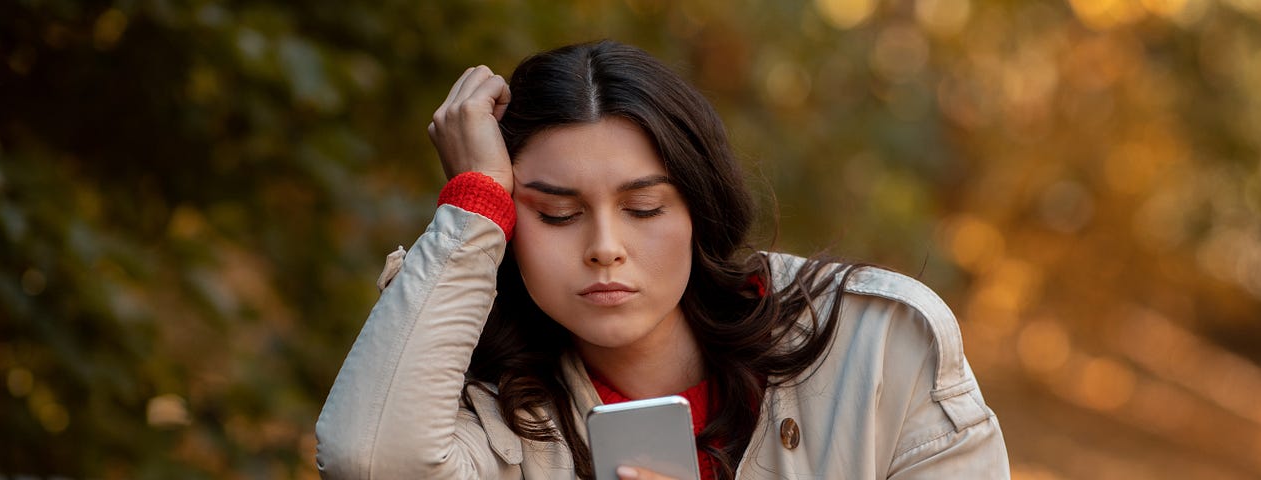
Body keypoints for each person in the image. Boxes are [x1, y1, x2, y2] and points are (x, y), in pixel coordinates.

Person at [315, 40, 1009, 479]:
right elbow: (370, 459)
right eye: (556, 214)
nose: (605, 247)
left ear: (698, 209)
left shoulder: (879, 347)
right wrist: (473, 206)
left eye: (644, 209)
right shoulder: (487, 409)